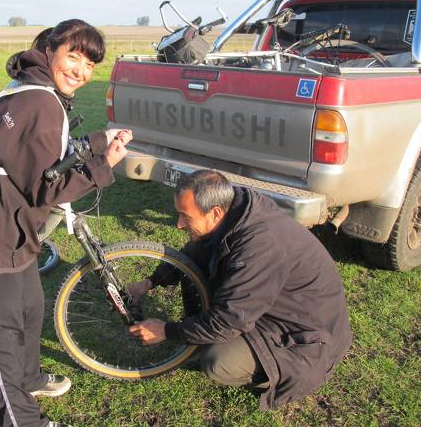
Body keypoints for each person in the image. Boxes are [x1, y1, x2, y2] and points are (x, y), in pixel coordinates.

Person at [0, 19, 132, 427]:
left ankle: (29, 376)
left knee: (31, 304)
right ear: (50, 52)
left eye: (90, 63)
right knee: (4, 330)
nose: (80, 70)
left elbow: (44, 153)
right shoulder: (39, 102)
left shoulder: (32, 91)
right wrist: (106, 164)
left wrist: (98, 142)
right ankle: (21, 420)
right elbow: (47, 188)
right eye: (73, 56)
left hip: (10, 230)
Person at [127, 170, 352, 410]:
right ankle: (201, 337)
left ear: (215, 213)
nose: (179, 224)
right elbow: (191, 254)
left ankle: (267, 376)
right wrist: (149, 282)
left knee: (217, 360)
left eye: (185, 216)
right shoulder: (233, 214)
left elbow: (227, 321)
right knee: (196, 258)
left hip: (303, 337)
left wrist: (166, 330)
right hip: (272, 309)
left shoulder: (258, 246)